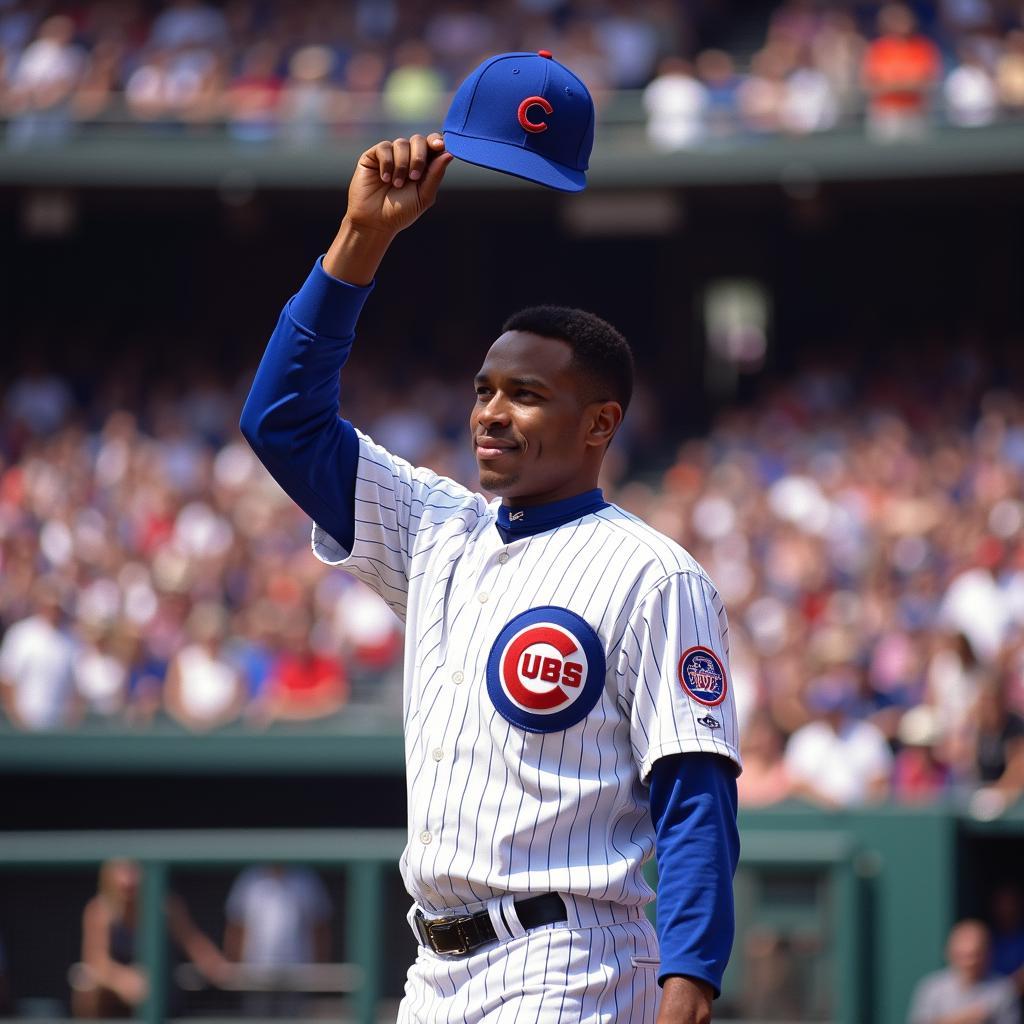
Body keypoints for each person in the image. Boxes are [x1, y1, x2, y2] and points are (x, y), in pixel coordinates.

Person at [241, 132, 742, 1022]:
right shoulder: (437, 526)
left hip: (571, 958)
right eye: (483, 389)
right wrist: (361, 238)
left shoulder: (654, 574)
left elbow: (694, 797)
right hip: (434, 969)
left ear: (600, 424)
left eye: (525, 394)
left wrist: (691, 979)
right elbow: (281, 421)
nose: (491, 413)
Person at [72, 859, 230, 1019]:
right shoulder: (99, 910)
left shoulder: (165, 906)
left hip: (158, 990)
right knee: (87, 986)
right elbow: (97, 962)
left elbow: (192, 941)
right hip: (114, 993)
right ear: (108, 876)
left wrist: (217, 967)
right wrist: (123, 981)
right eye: (122, 871)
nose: (128, 880)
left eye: (133, 871)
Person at [224, 864, 332, 1018]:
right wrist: (235, 968)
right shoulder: (249, 878)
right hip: (255, 974)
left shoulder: (307, 878)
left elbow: (319, 928)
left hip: (297, 973)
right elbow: (236, 927)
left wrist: (319, 969)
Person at [907, 919, 1020, 1024]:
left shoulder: (1003, 989)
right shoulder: (931, 987)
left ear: (988, 954)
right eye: (963, 955)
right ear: (950, 953)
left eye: (976, 955)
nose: (970, 962)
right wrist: (959, 1019)